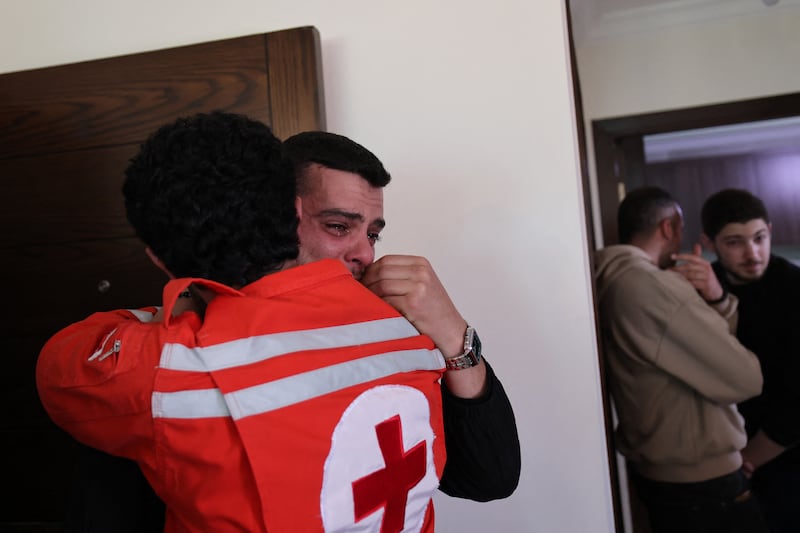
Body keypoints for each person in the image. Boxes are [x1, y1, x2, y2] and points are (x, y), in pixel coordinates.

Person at [46, 118, 521, 531]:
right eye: (338, 226)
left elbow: (488, 477)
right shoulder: (172, 358)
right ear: (280, 212)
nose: (365, 253)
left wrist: (456, 335)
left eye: (373, 233)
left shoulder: (398, 321)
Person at [594, 186, 767, 533]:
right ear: (669, 227)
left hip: (663, 475)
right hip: (704, 484)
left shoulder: (608, 277)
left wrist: (713, 301)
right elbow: (747, 378)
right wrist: (685, 297)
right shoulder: (649, 285)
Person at [701, 188, 800, 533]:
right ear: (710, 242)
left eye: (759, 238)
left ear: (770, 231)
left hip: (783, 452)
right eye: (734, 242)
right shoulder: (703, 288)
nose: (752, 252)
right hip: (723, 452)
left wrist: (749, 459)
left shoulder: (793, 286)